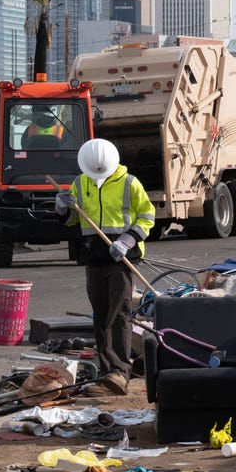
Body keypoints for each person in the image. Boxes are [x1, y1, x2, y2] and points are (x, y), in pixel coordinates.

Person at [55, 138, 155, 396]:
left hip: (122, 259)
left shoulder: (130, 183)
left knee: (118, 313)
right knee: (100, 315)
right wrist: (62, 208)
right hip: (94, 257)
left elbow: (148, 215)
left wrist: (128, 239)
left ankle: (120, 371)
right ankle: (106, 370)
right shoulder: (80, 182)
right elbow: (72, 220)